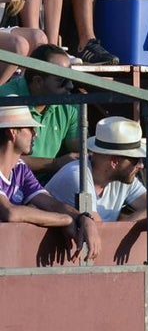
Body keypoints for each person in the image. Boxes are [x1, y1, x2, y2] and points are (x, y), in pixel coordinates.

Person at [45, 115, 148, 239]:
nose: (141, 165)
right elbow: (102, 233)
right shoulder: (77, 177)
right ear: (115, 162)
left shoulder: (123, 177)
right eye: (136, 160)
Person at [0, 102, 100, 261]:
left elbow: (52, 204)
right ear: (13, 132)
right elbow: (11, 213)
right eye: (30, 128)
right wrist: (64, 220)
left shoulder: (20, 169)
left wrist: (83, 218)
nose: (36, 134)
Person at [0, 42, 78, 179]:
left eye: (71, 78)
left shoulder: (69, 105)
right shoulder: (7, 100)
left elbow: (80, 147)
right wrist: (55, 163)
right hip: (9, 185)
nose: (70, 86)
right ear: (38, 81)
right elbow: (4, 160)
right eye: (62, 80)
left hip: (43, 188)